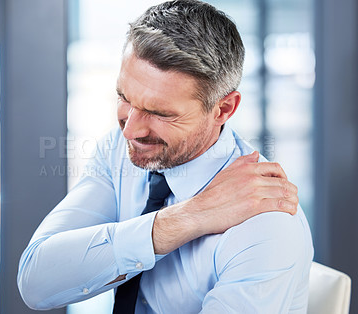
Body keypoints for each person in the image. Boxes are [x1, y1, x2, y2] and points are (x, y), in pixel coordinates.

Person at [18, 0, 313, 313]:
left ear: (223, 109)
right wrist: (188, 217)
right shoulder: (121, 151)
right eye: (124, 97)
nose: (131, 130)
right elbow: (36, 281)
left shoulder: (265, 224)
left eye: (159, 113)